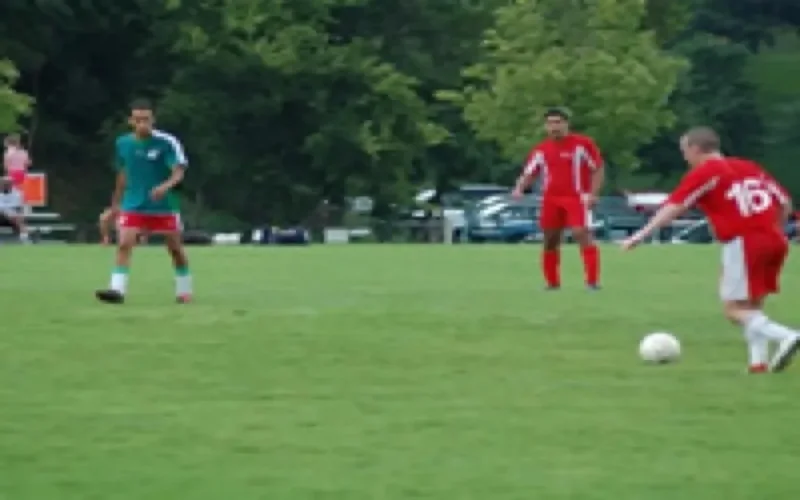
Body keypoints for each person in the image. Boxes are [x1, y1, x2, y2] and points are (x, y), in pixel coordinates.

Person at [621, 126, 799, 373]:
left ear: (695, 149)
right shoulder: (748, 166)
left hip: (744, 241)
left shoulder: (706, 172)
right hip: (775, 239)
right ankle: (757, 363)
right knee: (752, 305)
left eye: (685, 151)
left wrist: (640, 235)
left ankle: (786, 335)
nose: (685, 158)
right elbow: (785, 203)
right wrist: (773, 229)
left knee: (733, 309)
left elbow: (674, 207)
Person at [95, 98, 192, 304]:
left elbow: (179, 171)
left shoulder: (167, 142)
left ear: (153, 119)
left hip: (164, 205)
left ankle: (184, 289)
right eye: (138, 120)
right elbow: (122, 175)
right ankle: (117, 290)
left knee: (175, 249)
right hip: (133, 203)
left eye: (146, 120)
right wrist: (115, 205)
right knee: (124, 244)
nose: (142, 124)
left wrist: (164, 187)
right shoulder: (123, 144)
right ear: (131, 121)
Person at [512, 107, 604, 290]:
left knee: (581, 233)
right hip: (551, 199)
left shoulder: (582, 144)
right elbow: (530, 172)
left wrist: (593, 193)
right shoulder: (541, 149)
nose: (554, 127)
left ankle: (592, 281)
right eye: (550, 123)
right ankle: (552, 282)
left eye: (557, 122)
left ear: (566, 124)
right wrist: (519, 189)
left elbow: (598, 168)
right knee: (550, 239)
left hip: (576, 197)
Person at [0, 177, 29, 242]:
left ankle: (24, 239)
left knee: (18, 218)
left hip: (13, 217)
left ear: (11, 185)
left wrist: (10, 214)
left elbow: (18, 208)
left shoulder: (18, 194)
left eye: (6, 184)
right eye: (3, 184)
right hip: (1, 216)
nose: (4, 186)